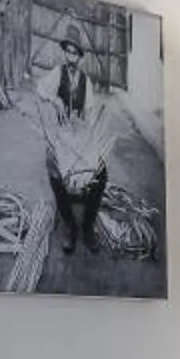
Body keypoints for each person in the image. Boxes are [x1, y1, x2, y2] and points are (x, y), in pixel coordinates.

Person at [26, 22, 127, 259]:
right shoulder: (56, 73)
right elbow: (40, 89)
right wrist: (56, 100)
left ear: (80, 56)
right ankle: (70, 225)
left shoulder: (86, 81)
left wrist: (87, 140)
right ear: (64, 52)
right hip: (61, 135)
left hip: (78, 134)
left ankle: (88, 226)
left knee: (101, 174)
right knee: (53, 169)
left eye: (75, 52)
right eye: (68, 51)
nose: (71, 55)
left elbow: (90, 112)